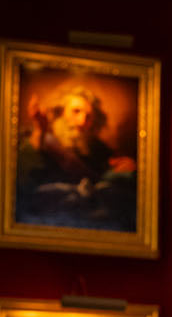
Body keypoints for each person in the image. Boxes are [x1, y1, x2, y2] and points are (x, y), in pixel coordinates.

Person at [15, 84, 137, 231]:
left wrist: (127, 169)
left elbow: (108, 179)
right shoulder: (39, 139)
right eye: (76, 111)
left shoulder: (98, 150)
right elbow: (21, 182)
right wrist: (39, 133)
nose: (81, 121)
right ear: (60, 112)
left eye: (88, 116)